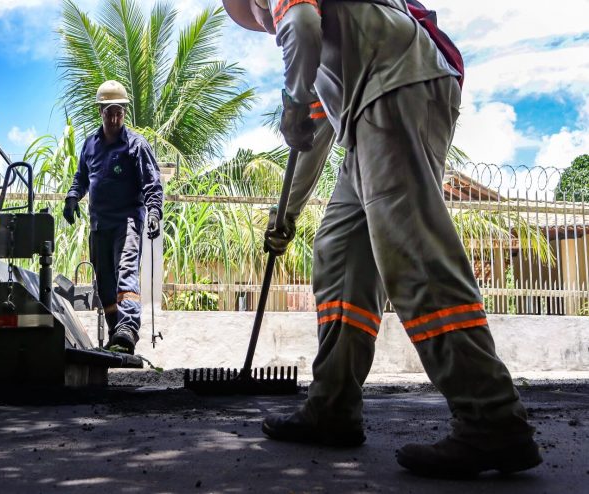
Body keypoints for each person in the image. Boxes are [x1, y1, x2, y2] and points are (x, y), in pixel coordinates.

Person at [224, 0, 542, 478]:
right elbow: (311, 133)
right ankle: (332, 407)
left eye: (257, 16)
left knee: (412, 251)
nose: (262, 20)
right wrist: (285, 215)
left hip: (391, 89)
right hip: (369, 111)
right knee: (340, 251)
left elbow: (301, 25)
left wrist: (290, 99)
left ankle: (490, 416)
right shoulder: (332, 53)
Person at [63, 80, 163, 355]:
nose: (115, 116)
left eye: (120, 111)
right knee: (104, 281)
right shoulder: (90, 145)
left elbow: (153, 185)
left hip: (127, 221)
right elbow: (81, 178)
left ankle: (128, 328)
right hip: (99, 225)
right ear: (101, 112)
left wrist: (154, 212)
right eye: (110, 111)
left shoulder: (136, 145)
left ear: (125, 113)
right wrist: (73, 197)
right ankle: (115, 331)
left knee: (125, 274)